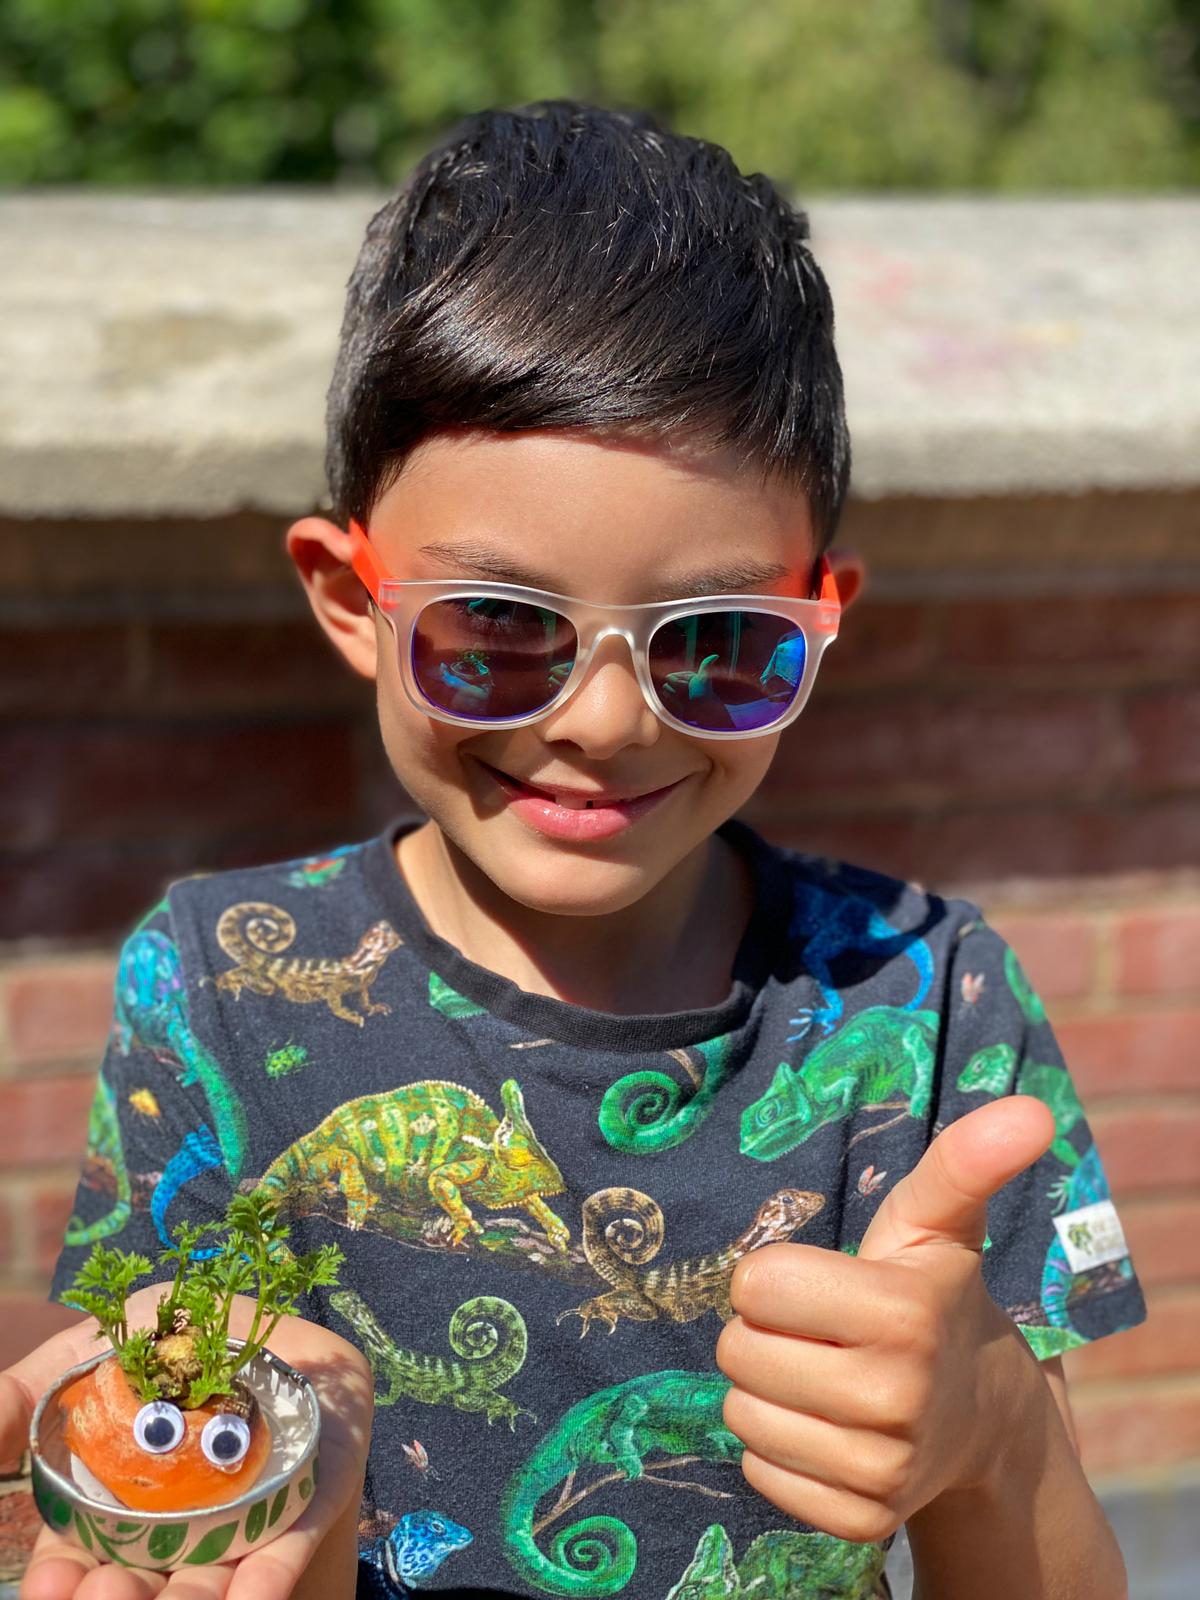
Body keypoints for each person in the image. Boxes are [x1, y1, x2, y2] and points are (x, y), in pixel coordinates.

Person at [5, 102, 1144, 1600]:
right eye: (496, 629)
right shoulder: (214, 982)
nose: (605, 722)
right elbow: (178, 1474)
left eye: (717, 640)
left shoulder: (930, 998)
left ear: (821, 623)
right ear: (349, 600)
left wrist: (995, 1432)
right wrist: (270, 1501)